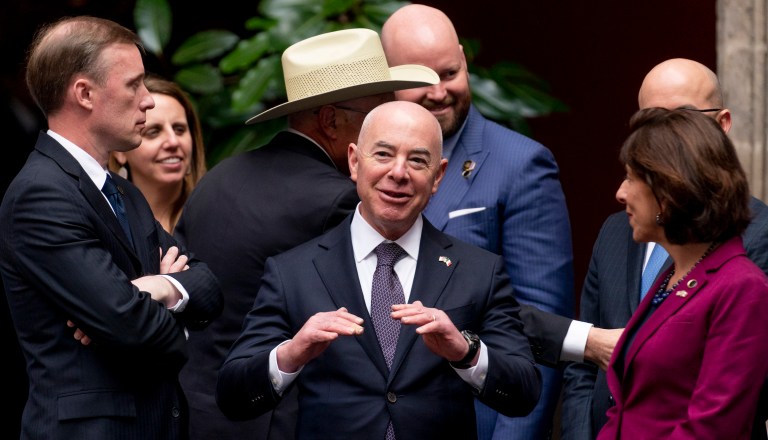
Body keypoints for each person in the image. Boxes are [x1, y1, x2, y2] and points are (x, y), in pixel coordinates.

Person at [216, 99, 541, 440]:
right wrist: (291, 354)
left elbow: (524, 392)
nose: (398, 173)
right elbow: (233, 397)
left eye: (417, 160)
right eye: (383, 155)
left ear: (438, 176)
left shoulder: (477, 271)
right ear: (355, 162)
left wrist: (464, 352)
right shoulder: (293, 272)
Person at [174, 28, 439, 440]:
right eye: (373, 117)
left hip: (195, 412)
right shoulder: (337, 201)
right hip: (276, 419)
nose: (387, 128)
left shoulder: (219, 176)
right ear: (331, 120)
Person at [0, 16, 223, 439]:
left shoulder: (123, 190)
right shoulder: (40, 195)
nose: (148, 100)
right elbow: (135, 330)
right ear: (84, 93)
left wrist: (156, 289)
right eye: (133, 85)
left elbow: (210, 288)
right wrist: (168, 299)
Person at [380, 5, 576, 439]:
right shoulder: (368, 167)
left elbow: (540, 335)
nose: (438, 92)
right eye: (418, 80)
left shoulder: (521, 165)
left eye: (449, 73)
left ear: (466, 60)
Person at [560, 58, 768, 440]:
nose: (620, 193)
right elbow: (595, 378)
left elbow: (715, 422)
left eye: (633, 178)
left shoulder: (742, 281)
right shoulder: (670, 272)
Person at [109, 74, 207, 233]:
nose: (173, 142)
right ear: (119, 151)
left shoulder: (217, 211)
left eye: (179, 129)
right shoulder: (107, 221)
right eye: (153, 132)